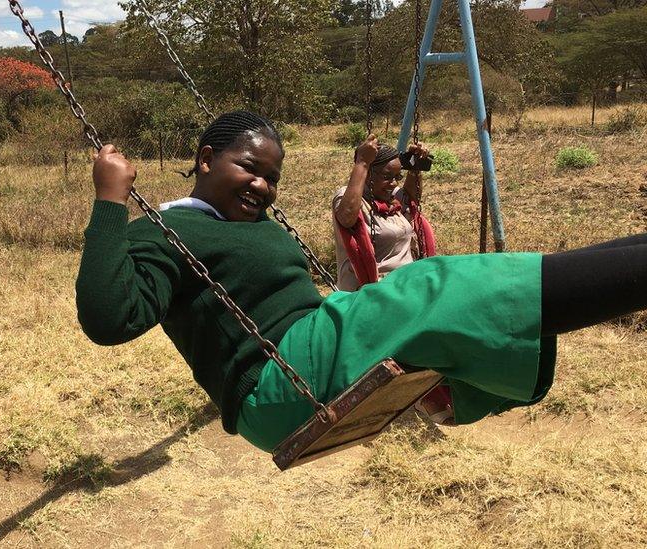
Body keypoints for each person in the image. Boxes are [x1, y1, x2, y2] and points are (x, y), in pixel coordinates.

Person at [75, 110, 647, 453]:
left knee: (437, 288)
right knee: (439, 285)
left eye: (271, 178)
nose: (261, 186)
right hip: (276, 382)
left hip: (313, 346)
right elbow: (107, 318)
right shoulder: (163, 231)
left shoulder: (251, 223)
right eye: (247, 167)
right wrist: (108, 201)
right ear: (204, 160)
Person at [332, 135, 434, 291]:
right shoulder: (349, 198)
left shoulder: (392, 199)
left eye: (397, 177)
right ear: (368, 174)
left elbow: (412, 199)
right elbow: (346, 217)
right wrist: (362, 163)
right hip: (371, 289)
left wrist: (414, 167)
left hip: (405, 285)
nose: (393, 183)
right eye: (387, 177)